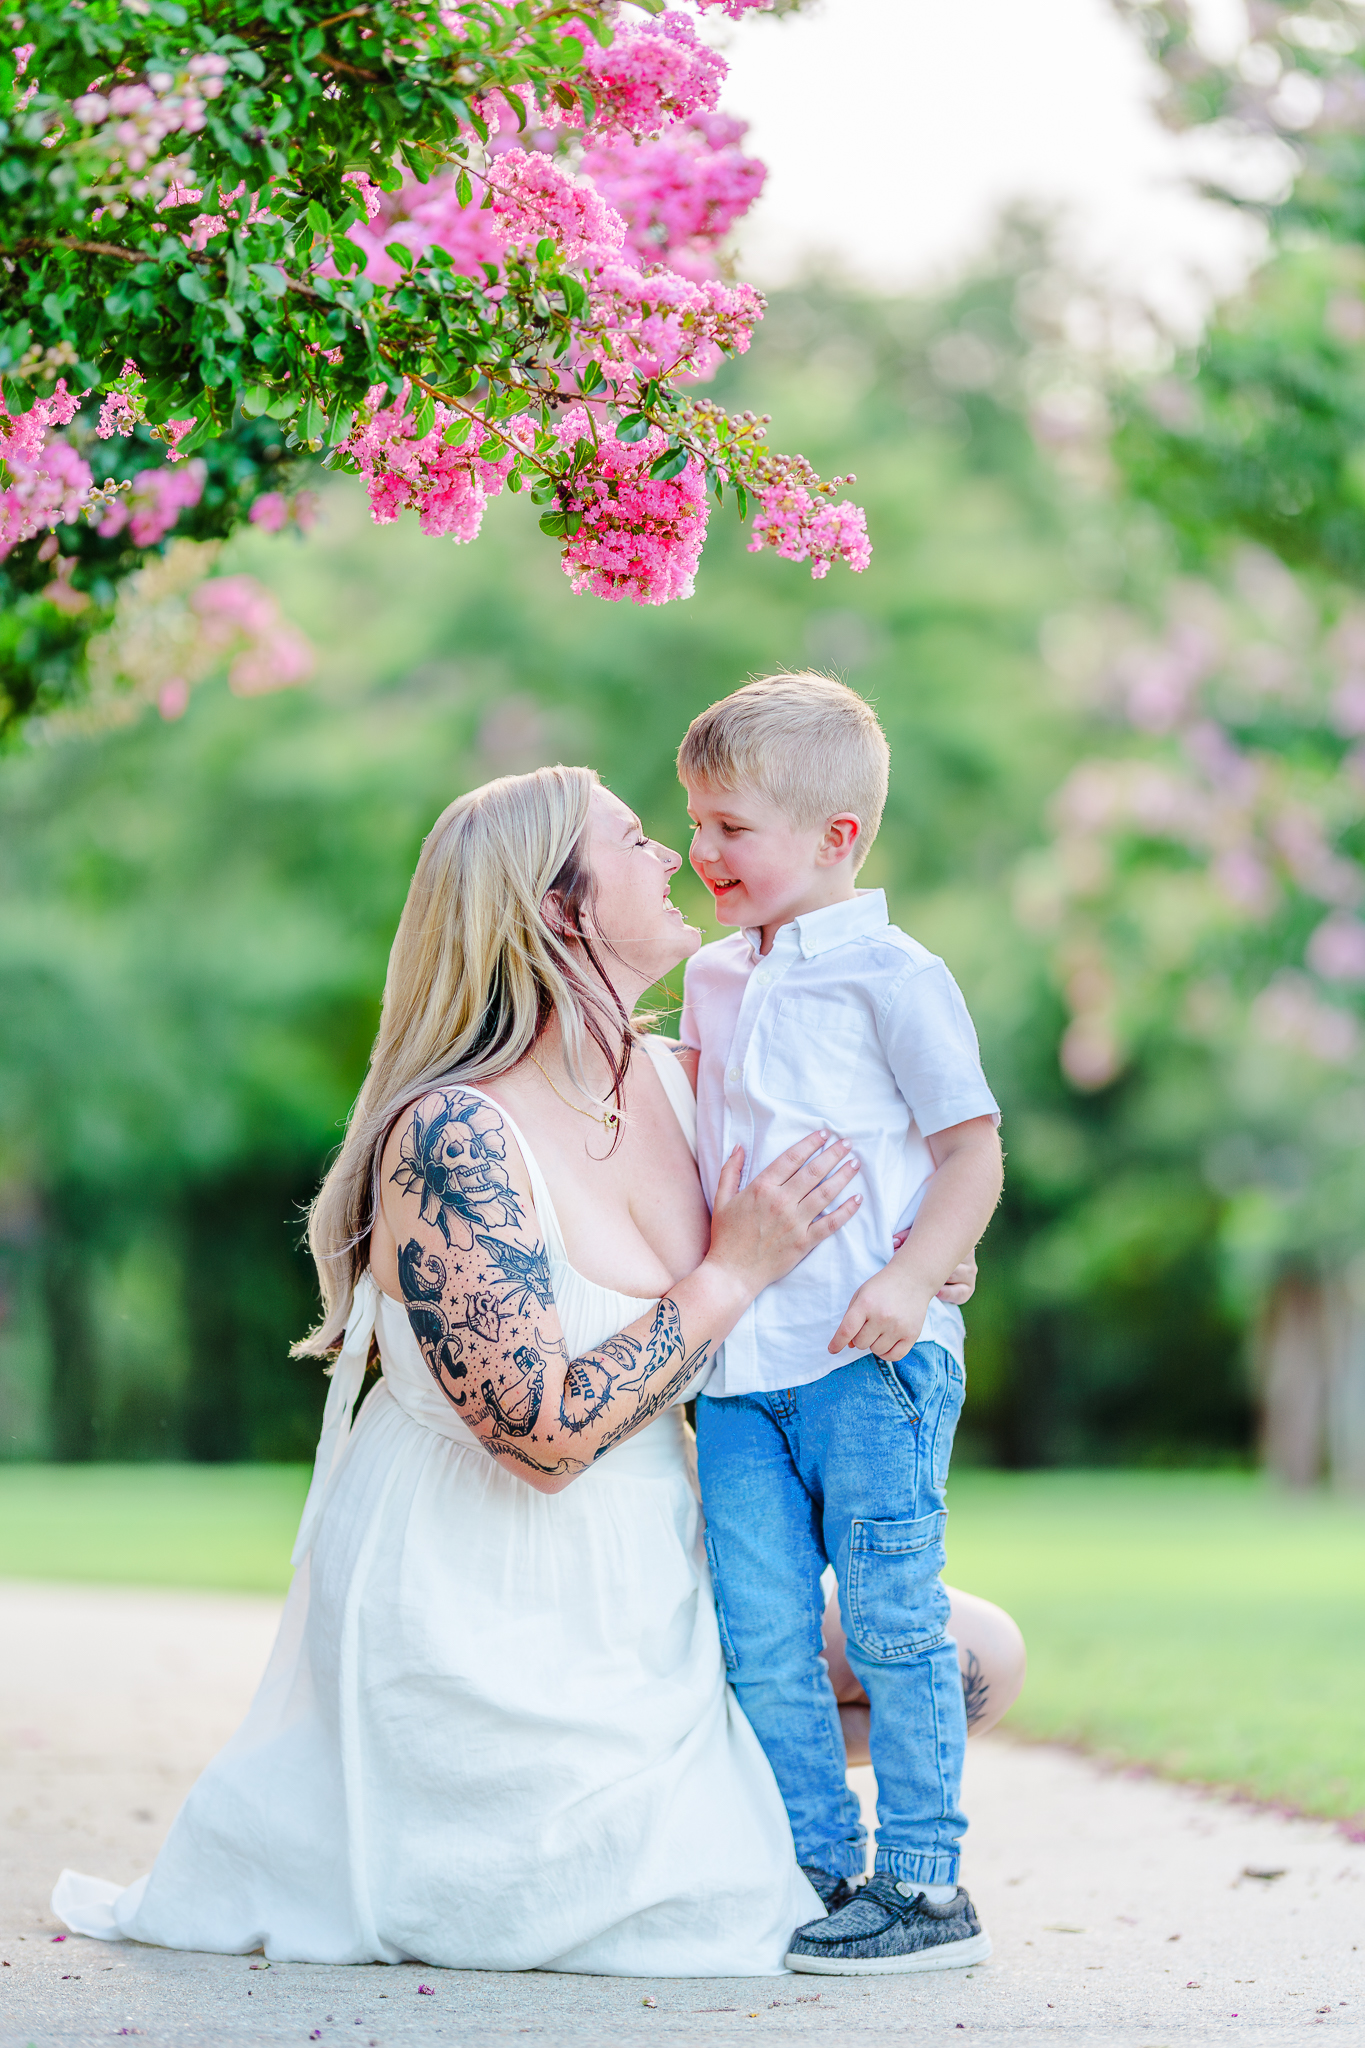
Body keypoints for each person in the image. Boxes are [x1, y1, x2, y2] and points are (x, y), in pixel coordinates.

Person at [53, 763, 1020, 1976]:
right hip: (494, 1592)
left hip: (660, 1552)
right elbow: (543, 1436)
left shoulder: (685, 1077)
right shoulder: (455, 1133)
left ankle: (813, 1832)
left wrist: (920, 1255)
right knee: (684, 1888)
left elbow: (890, 1171)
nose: (675, 852)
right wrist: (732, 1269)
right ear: (559, 907)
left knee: (980, 1652)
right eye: (633, 840)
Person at [678, 674, 1005, 1976]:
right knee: (760, 1634)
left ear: (837, 838)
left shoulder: (895, 975)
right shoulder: (708, 979)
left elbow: (972, 1156)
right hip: (741, 1369)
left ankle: (923, 1889)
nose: (702, 854)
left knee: (888, 1622)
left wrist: (918, 1276)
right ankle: (813, 1868)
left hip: (869, 1359)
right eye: (692, 823)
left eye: (730, 829)